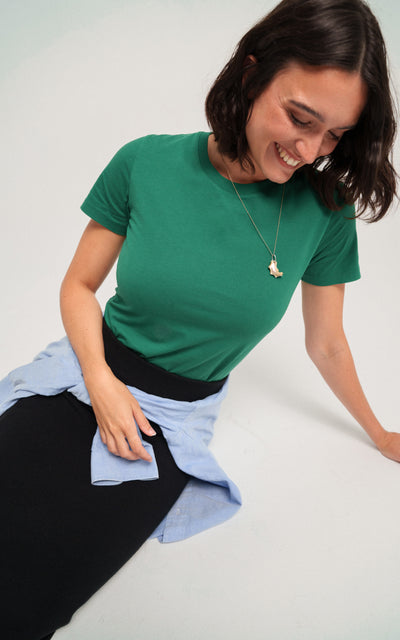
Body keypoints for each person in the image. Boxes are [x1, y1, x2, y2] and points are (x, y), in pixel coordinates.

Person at [0, 0, 398, 638]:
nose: (309, 150)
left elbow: (327, 344)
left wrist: (378, 433)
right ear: (251, 74)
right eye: (301, 118)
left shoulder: (326, 211)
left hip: (166, 423)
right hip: (85, 371)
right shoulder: (145, 161)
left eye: (334, 135)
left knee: (33, 598)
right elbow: (78, 286)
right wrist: (101, 382)